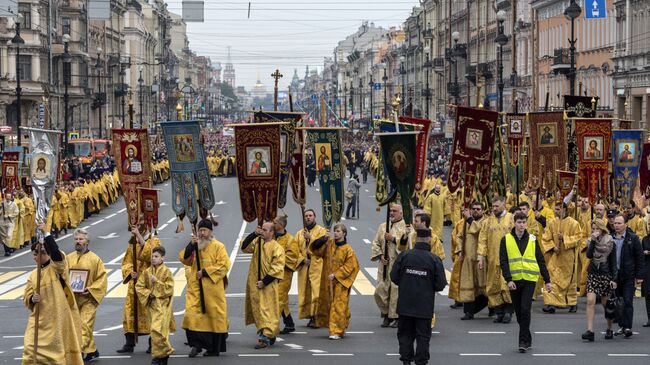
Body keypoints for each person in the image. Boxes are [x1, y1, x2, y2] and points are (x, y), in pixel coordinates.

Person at [22, 223, 84, 365]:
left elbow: (56, 254)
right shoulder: (33, 275)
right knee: (30, 349)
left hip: (56, 317)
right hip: (39, 319)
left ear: (46, 254)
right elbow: (26, 297)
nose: (37, 256)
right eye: (35, 254)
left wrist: (47, 233)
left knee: (55, 356)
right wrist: (32, 298)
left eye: (41, 253)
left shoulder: (56, 268)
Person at [391, 228, 447, 365]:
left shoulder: (404, 256)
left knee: (405, 335)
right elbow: (440, 285)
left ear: (415, 239)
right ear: (429, 240)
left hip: (405, 305)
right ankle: (421, 361)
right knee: (423, 337)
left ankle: (406, 360)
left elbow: (394, 277)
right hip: (424, 307)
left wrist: (406, 283)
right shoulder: (434, 259)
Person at [499, 212, 552, 353]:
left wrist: (547, 280)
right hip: (514, 281)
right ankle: (527, 336)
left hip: (529, 280)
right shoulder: (506, 239)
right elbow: (503, 261)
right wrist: (508, 279)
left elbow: (540, 260)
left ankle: (522, 341)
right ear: (514, 223)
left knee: (525, 309)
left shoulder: (533, 239)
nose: (522, 225)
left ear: (526, 223)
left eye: (524, 222)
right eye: (519, 222)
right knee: (518, 312)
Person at [179, 219, 230, 357]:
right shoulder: (196, 245)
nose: (202, 233)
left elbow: (224, 265)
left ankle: (213, 348)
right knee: (191, 315)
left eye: (204, 230)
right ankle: (196, 345)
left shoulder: (219, 246)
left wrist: (206, 272)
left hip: (212, 290)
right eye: (200, 230)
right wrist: (191, 244)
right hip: (196, 288)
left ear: (210, 232)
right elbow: (184, 259)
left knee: (212, 319)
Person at [310, 224, 360, 339]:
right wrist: (322, 239)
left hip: (341, 283)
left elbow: (352, 266)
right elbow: (316, 251)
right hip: (328, 281)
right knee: (329, 304)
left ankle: (337, 331)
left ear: (344, 233)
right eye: (335, 231)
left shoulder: (348, 250)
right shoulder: (329, 244)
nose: (336, 233)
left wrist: (337, 275)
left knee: (338, 306)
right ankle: (342, 320)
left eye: (338, 231)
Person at [241, 222, 285, 349]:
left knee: (267, 310)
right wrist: (254, 234)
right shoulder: (257, 242)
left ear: (272, 232)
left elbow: (277, 268)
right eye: (261, 229)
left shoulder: (277, 248)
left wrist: (264, 281)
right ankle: (267, 334)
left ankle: (264, 337)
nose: (262, 232)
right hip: (255, 282)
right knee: (258, 310)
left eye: (265, 230)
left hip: (268, 285)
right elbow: (244, 247)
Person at [117, 224, 160, 353]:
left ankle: (153, 343)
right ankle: (129, 343)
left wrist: (140, 237)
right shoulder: (132, 243)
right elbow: (126, 262)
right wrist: (130, 273)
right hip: (135, 283)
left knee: (152, 312)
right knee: (130, 311)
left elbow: (150, 256)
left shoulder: (155, 241)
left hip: (149, 283)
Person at [66, 228, 107, 362]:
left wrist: (90, 289)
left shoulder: (95, 259)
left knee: (84, 324)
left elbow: (102, 279)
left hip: (89, 298)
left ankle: (78, 353)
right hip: (73, 299)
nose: (78, 241)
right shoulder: (68, 258)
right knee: (75, 326)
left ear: (87, 242)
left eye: (81, 239)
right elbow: (62, 276)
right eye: (76, 239)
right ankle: (92, 350)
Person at [136, 246, 175, 365]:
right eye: (152, 256)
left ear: (162, 257)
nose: (153, 259)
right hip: (151, 306)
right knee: (155, 332)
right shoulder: (147, 271)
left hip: (163, 306)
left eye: (156, 256)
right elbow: (139, 286)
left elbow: (170, 288)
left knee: (157, 330)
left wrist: (156, 282)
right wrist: (148, 294)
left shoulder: (167, 271)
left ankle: (158, 356)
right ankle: (163, 356)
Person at [477, 197, 514, 323]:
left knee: (506, 285)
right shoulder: (488, 222)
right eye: (493, 206)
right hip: (492, 259)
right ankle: (499, 312)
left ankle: (509, 311)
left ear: (504, 204)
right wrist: (480, 257)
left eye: (497, 206)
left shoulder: (511, 219)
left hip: (508, 259)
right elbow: (482, 240)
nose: (494, 208)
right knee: (493, 286)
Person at [540, 202, 582, 313]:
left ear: (564, 210)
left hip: (568, 258)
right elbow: (545, 238)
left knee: (569, 281)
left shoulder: (574, 223)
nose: (555, 211)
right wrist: (553, 247)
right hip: (555, 257)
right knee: (551, 278)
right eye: (555, 209)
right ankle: (551, 303)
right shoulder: (552, 223)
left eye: (558, 209)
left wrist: (564, 238)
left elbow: (578, 238)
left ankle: (572, 303)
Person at [371, 203, 407, 328]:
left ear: (401, 213)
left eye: (395, 211)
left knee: (396, 292)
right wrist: (380, 255)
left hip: (398, 265)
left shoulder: (406, 228)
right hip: (384, 265)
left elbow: (408, 245)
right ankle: (385, 314)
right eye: (391, 210)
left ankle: (396, 317)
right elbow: (375, 243)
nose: (392, 213)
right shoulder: (383, 226)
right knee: (380, 290)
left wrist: (393, 239)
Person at [581, 219, 617, 341]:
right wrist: (592, 241)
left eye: (597, 229)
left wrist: (614, 278)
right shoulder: (591, 240)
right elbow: (589, 255)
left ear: (602, 229)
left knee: (606, 303)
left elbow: (613, 262)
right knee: (590, 301)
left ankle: (609, 328)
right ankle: (590, 330)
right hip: (593, 273)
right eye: (593, 229)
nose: (595, 231)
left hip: (605, 274)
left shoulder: (610, 241)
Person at [611, 214, 645, 338]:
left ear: (626, 224)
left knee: (628, 301)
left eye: (619, 223)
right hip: (615, 275)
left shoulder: (633, 238)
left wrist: (639, 275)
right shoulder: (610, 238)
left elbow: (639, 257)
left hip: (628, 275)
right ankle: (621, 325)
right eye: (615, 223)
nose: (617, 225)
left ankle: (628, 327)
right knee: (618, 302)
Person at [294, 209, 329, 327]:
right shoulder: (299, 234)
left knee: (316, 293)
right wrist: (303, 259)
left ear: (315, 217)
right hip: (305, 267)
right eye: (306, 216)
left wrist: (311, 238)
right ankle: (310, 315)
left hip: (317, 267)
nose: (308, 218)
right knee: (306, 293)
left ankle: (317, 316)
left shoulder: (321, 231)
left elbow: (323, 245)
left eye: (310, 215)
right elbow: (294, 251)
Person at [454, 202, 488, 320]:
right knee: (468, 285)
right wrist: (459, 251)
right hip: (468, 259)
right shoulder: (465, 223)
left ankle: (492, 307)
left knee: (483, 286)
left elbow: (477, 230)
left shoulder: (485, 222)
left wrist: (468, 218)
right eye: (473, 209)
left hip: (481, 259)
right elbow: (459, 236)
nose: (475, 211)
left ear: (483, 210)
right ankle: (469, 312)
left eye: (478, 209)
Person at [272, 215, 300, 334]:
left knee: (277, 299)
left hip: (284, 275)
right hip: (271, 274)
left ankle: (272, 327)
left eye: (275, 222)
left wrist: (276, 261)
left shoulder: (290, 240)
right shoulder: (271, 237)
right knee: (281, 300)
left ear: (281, 225)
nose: (273, 224)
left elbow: (292, 258)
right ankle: (289, 323)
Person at [1, 191, 19, 256]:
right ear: (5, 197)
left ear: (11, 197)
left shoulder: (14, 204)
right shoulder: (2, 203)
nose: (8, 198)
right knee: (4, 237)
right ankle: (7, 251)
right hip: (3, 222)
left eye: (9, 196)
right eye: (7, 196)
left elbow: (16, 212)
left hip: (10, 222)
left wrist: (9, 215)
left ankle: (9, 249)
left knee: (9, 235)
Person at [642, 223, 650, 327]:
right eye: (649, 224)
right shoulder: (645, 239)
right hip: (647, 268)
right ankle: (649, 318)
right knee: (648, 294)